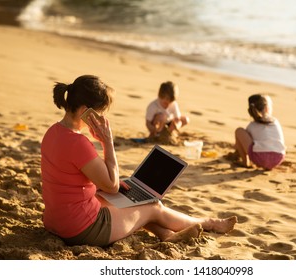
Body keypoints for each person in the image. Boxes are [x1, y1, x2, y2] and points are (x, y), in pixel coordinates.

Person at [41, 75, 237, 247]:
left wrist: (108, 188)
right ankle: (209, 223)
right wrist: (107, 142)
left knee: (131, 202)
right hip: (81, 229)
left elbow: (72, 179)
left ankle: (166, 234)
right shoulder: (78, 143)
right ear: (85, 110)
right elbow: (111, 184)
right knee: (153, 206)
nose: (101, 119)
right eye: (99, 114)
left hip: (56, 220)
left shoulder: (53, 132)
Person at [234, 94, 286, 170]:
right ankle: (269, 166)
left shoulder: (252, 125)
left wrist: (237, 147)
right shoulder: (275, 122)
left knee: (239, 131)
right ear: (267, 109)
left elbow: (246, 142)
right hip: (278, 157)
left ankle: (245, 162)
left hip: (259, 158)